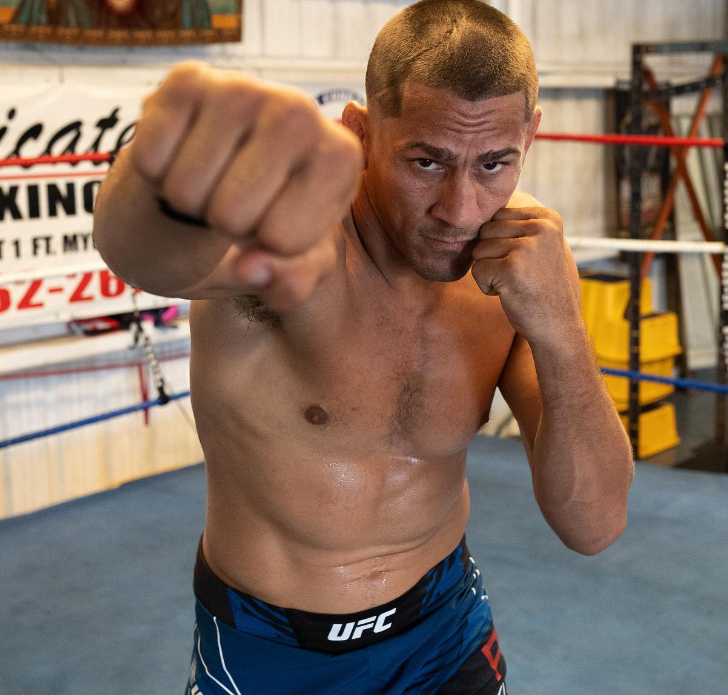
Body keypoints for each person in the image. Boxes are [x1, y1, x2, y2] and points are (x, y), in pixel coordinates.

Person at [93, 1, 634, 692]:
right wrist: (165, 180)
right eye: (426, 161)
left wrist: (561, 330)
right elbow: (143, 257)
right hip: (269, 651)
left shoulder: (523, 260)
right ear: (361, 131)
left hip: (442, 627)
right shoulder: (299, 241)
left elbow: (594, 524)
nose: (460, 210)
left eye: (494, 163)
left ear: (530, 136)